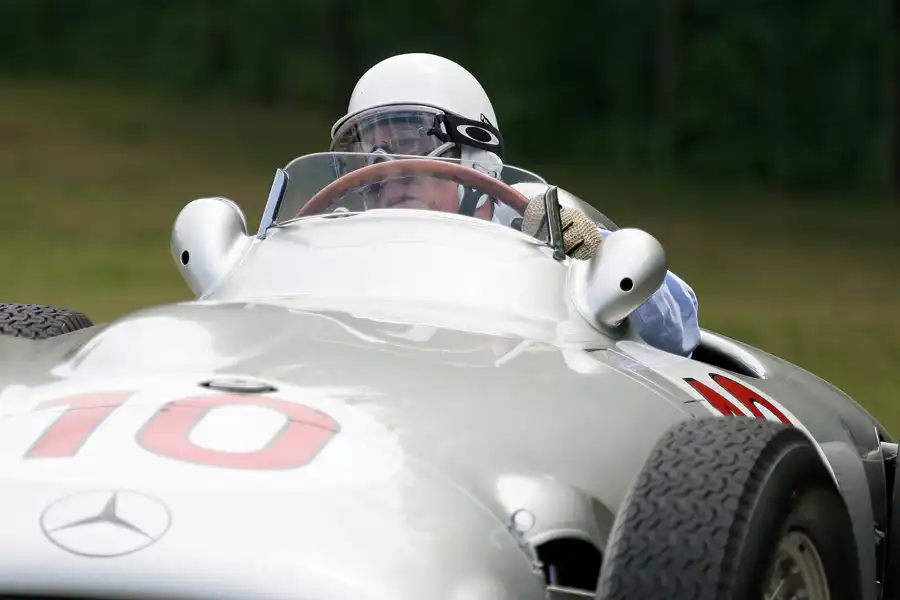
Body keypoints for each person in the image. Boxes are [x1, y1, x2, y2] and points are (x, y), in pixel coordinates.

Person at [328, 53, 700, 358]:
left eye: (408, 142)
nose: (384, 171)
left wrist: (593, 257)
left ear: (473, 154)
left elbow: (678, 329)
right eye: (366, 155)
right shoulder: (337, 250)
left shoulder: (538, 228)